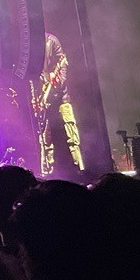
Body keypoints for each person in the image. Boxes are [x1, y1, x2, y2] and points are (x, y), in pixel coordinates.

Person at [30, 31, 83, 176]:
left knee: (70, 133)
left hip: (61, 99)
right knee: (46, 139)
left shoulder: (51, 41)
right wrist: (36, 97)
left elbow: (63, 65)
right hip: (44, 100)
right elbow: (33, 76)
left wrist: (57, 82)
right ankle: (48, 171)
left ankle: (79, 167)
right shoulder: (31, 45)